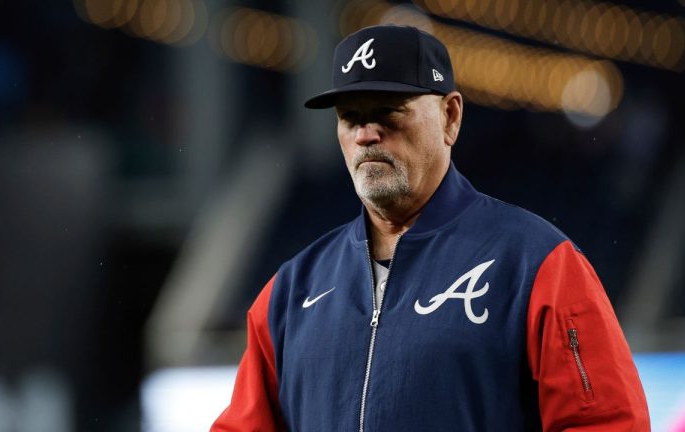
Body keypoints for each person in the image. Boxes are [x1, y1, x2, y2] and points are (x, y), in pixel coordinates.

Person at [211, 25, 650, 431]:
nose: (366, 134)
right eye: (350, 117)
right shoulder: (290, 291)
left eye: (389, 112)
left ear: (450, 116)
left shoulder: (536, 265)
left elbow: (606, 423)